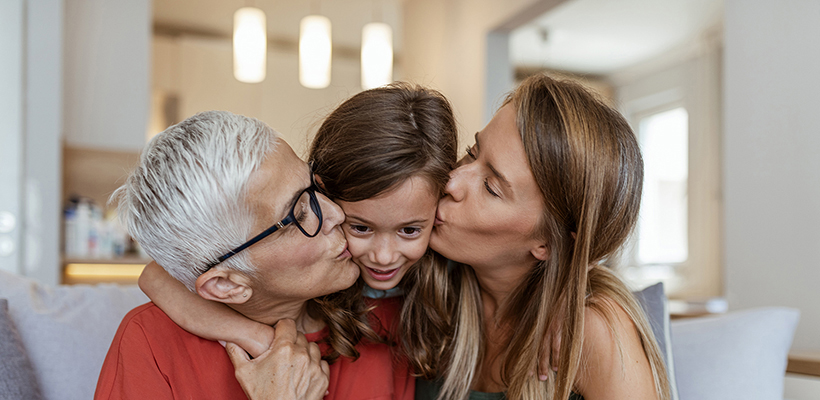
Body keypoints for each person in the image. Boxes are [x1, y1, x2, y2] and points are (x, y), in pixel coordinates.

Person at [94, 111, 414, 400]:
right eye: (298, 216)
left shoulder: (385, 322)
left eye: (315, 188)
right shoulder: (150, 345)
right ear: (227, 285)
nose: (336, 214)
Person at [410, 73, 671, 399]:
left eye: (491, 188)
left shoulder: (594, 330)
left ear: (546, 242)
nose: (451, 181)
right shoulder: (423, 270)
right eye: (473, 152)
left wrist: (569, 284)